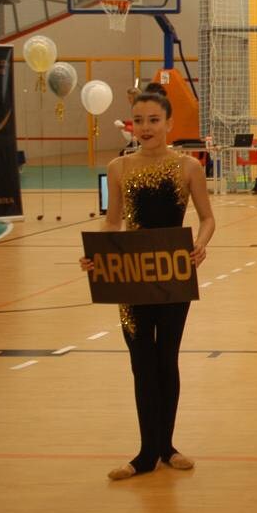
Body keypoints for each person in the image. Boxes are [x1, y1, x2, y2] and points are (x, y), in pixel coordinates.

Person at [81, 84, 215, 481]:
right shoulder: (119, 168)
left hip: (172, 274)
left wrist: (200, 246)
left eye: (153, 120)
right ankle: (145, 453)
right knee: (141, 362)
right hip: (131, 278)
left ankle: (166, 446)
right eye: (138, 121)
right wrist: (97, 255)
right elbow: (112, 221)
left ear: (169, 123)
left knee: (165, 358)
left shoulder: (189, 167)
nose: (145, 127)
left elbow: (207, 218)